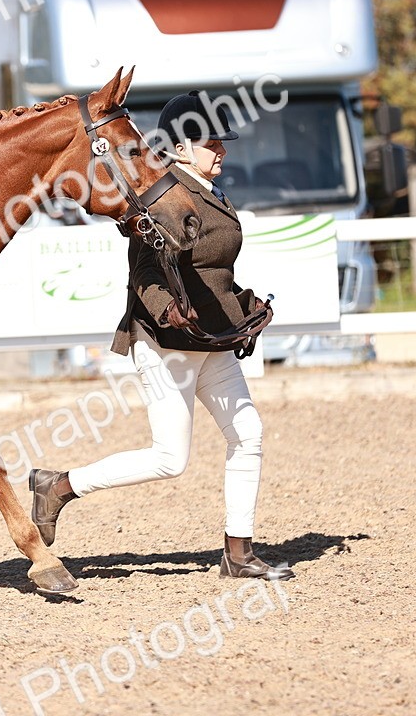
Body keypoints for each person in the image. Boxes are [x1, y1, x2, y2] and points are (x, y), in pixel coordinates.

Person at [29, 90, 293, 580]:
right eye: (211, 142)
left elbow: (212, 270)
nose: (222, 150)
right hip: (165, 342)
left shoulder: (212, 193)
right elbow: (146, 272)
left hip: (211, 341)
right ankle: (61, 485)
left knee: (248, 435)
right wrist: (166, 309)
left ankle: (238, 554)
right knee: (170, 459)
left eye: (222, 142)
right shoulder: (160, 195)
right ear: (179, 147)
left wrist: (244, 304)